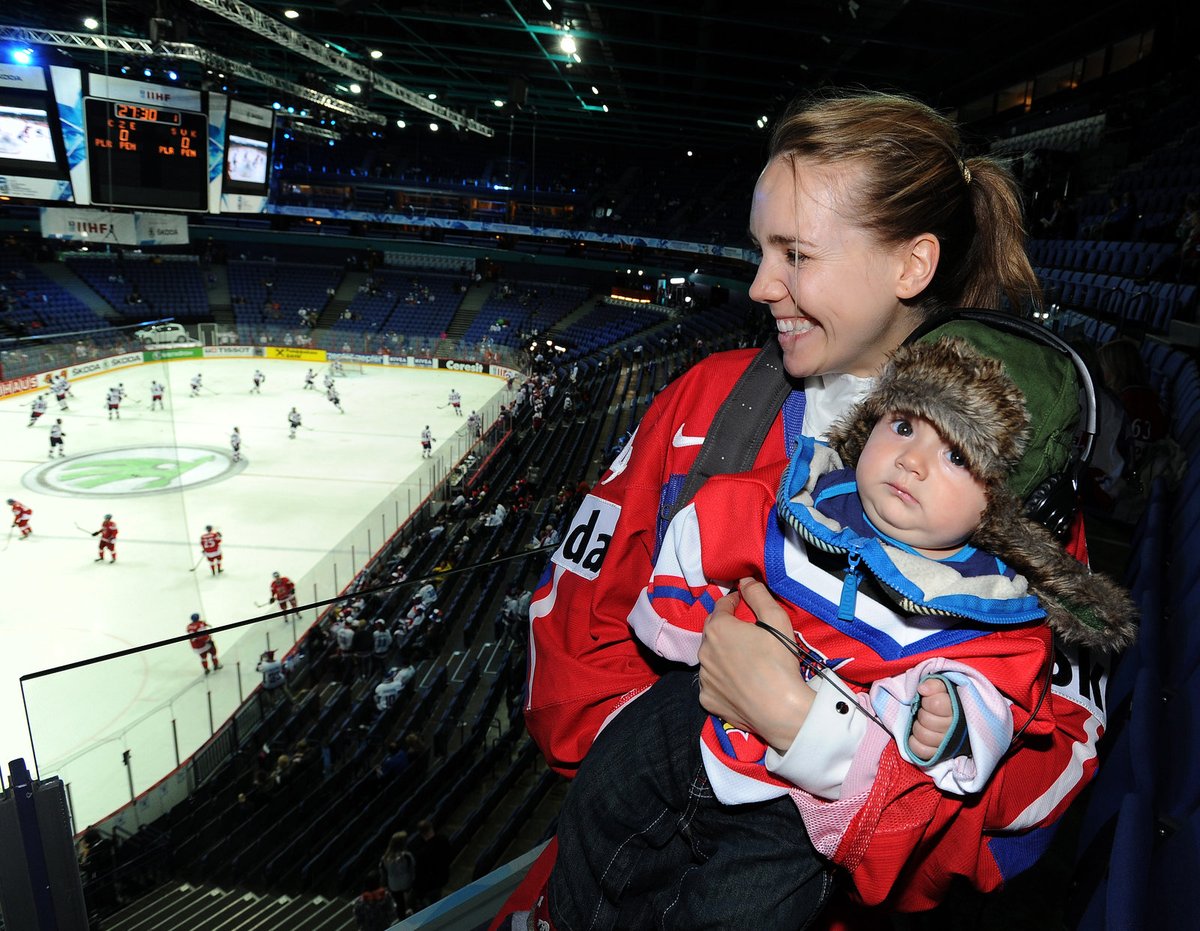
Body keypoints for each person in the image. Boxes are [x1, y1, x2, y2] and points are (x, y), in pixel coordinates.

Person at [518, 89, 1127, 927]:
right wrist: (688, 752)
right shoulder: (704, 402)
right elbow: (568, 638)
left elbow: (1034, 798)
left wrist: (815, 739)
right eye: (761, 249)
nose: (763, 283)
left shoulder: (1017, 480)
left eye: (796, 253)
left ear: (912, 265)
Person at [573, 337, 1136, 924]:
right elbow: (712, 527)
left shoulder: (994, 610)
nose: (912, 460)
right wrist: (683, 624)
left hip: (794, 816)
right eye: (902, 425)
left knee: (739, 912)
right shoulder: (808, 494)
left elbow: (1000, 700)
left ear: (1012, 509)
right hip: (691, 717)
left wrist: (952, 723)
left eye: (958, 456)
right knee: (600, 800)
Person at [411, 819, 452, 909]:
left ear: (420, 833)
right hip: (443, 876)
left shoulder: (421, 852)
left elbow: (420, 873)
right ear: (431, 827)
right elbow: (449, 856)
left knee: (434, 905)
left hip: (430, 885)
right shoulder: (443, 840)